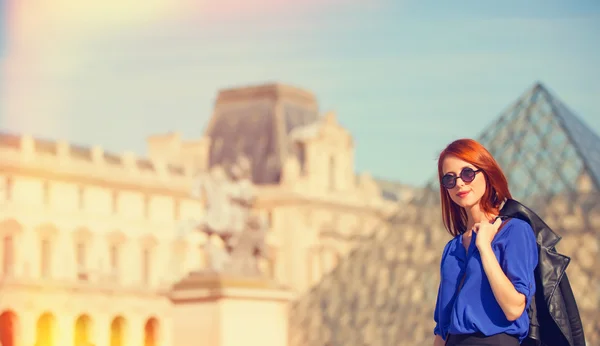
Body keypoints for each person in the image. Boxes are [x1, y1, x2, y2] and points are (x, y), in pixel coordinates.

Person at [432, 139, 538, 346]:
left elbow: (514, 308)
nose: (460, 183)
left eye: (467, 173)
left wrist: (484, 247)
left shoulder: (515, 231)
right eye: (449, 179)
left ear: (487, 173)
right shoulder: (452, 248)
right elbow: (442, 329)